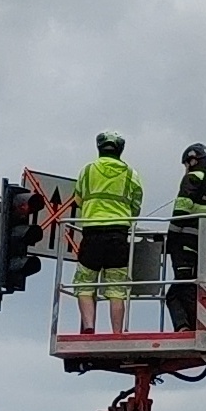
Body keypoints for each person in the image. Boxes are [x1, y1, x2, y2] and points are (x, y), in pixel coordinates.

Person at [73, 130, 144, 334]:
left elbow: (78, 199)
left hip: (92, 232)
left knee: (84, 282)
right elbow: (136, 206)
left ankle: (88, 327)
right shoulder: (131, 174)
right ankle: (117, 332)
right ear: (120, 150)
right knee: (117, 287)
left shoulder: (87, 171)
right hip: (119, 234)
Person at [165, 142, 206, 332]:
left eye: (185, 164)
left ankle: (188, 329)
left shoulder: (193, 178)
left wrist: (170, 239)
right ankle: (197, 327)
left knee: (179, 292)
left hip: (185, 245)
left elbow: (181, 210)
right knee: (195, 288)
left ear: (193, 160)